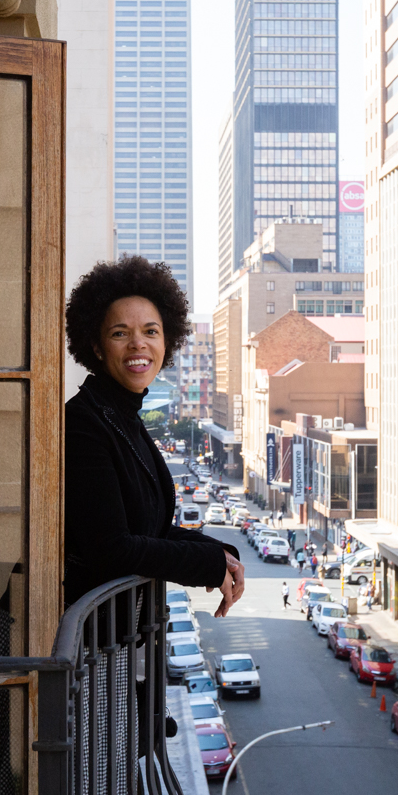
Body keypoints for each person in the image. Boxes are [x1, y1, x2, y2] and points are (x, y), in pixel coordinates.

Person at [64, 256, 245, 613]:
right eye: (120, 333)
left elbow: (151, 530)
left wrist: (220, 554)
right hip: (78, 648)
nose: (138, 344)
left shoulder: (121, 415)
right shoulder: (84, 422)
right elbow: (113, 548)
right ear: (97, 346)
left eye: (150, 331)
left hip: (109, 641)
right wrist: (205, 562)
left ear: (168, 340)